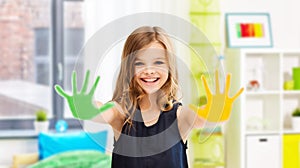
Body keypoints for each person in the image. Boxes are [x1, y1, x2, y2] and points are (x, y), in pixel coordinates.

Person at [55, 26, 243, 168]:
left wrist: (216, 112)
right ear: (129, 67)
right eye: (139, 63)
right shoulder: (121, 113)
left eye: (158, 62)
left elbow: (202, 119)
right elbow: (100, 112)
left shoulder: (179, 116)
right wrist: (85, 108)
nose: (149, 70)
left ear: (169, 67)